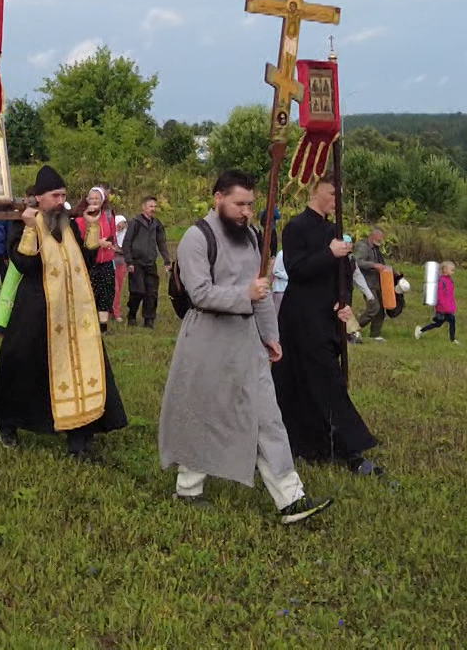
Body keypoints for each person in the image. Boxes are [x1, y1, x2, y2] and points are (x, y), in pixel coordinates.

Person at [159, 169, 333, 525]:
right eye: (239, 204)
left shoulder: (253, 237)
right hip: (207, 339)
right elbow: (200, 293)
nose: (246, 212)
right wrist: (245, 295)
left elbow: (262, 292)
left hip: (247, 342)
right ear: (218, 198)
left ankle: (290, 499)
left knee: (268, 417)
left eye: (251, 205)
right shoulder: (196, 237)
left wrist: (271, 335)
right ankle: (188, 489)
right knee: (205, 412)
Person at [0, 165, 129, 460]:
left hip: (74, 315)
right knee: (23, 366)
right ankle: (8, 423)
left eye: (63, 195)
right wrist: (29, 227)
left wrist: (91, 225)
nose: (60, 201)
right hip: (36, 311)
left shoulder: (68, 225)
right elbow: (23, 264)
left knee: (81, 369)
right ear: (39, 198)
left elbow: (87, 259)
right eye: (55, 195)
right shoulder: (23, 224)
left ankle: (79, 439)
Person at [273, 179, 382, 475]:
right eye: (333, 193)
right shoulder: (296, 227)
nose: (337, 199)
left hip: (328, 317)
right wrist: (328, 254)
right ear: (314, 191)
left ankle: (322, 443)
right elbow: (296, 270)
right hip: (300, 318)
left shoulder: (334, 231)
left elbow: (344, 274)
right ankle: (350, 446)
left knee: (322, 377)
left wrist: (343, 301)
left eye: (340, 194)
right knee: (314, 379)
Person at [120, 195, 169, 329]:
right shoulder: (135, 222)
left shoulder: (156, 224)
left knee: (152, 292)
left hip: (150, 262)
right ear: (144, 207)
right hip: (136, 262)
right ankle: (132, 314)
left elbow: (161, 242)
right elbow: (127, 242)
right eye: (150, 206)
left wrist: (166, 260)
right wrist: (129, 261)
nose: (153, 209)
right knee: (137, 291)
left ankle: (149, 320)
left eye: (154, 206)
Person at [75, 187, 119, 332]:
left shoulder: (108, 216)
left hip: (106, 260)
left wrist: (111, 244)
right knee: (91, 292)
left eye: (97, 198)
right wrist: (99, 243)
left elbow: (113, 234)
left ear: (102, 200)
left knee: (107, 292)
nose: (94, 201)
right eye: (91, 198)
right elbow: (80, 240)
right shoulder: (81, 218)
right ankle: (89, 324)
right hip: (90, 262)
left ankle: (103, 326)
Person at [352, 226, 397, 340]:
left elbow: (381, 263)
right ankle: (352, 329)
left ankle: (375, 334)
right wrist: (373, 265)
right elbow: (356, 262)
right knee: (374, 307)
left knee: (381, 309)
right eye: (380, 237)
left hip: (377, 282)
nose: (381, 239)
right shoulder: (362, 247)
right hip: (366, 282)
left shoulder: (375, 248)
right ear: (373, 235)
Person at [415, 260, 460, 343]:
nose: (453, 272)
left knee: (449, 322)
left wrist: (452, 306)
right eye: (451, 270)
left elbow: (450, 295)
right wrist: (442, 305)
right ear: (445, 270)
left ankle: (452, 339)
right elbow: (439, 295)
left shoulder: (450, 281)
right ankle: (420, 330)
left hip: (448, 308)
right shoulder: (441, 281)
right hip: (442, 308)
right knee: (439, 323)